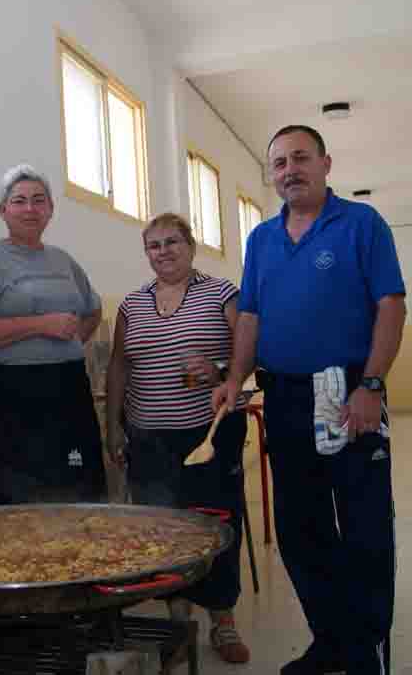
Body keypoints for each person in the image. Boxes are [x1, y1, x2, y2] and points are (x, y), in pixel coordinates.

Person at [214, 125, 406, 675]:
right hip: (287, 399)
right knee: (301, 530)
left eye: (300, 158)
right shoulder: (261, 240)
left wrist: (370, 385)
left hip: (351, 392)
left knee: (365, 527)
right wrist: (234, 376)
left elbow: (390, 307)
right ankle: (332, 640)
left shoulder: (361, 224)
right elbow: (249, 317)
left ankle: (366, 650)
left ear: (325, 163)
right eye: (278, 163)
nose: (289, 169)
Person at [105, 212, 251, 665]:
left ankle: (223, 621)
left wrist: (222, 371)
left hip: (209, 432)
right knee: (163, 528)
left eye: (172, 242)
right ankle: (176, 620)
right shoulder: (132, 304)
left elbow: (251, 353)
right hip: (148, 436)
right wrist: (112, 424)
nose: (163, 252)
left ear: (191, 246)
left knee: (216, 522)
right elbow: (119, 367)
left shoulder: (222, 293)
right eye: (154, 245)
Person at [0, 164, 107, 505]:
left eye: (39, 200)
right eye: (19, 200)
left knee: (78, 488)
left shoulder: (63, 261)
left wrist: (72, 338)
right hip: (8, 396)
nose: (29, 208)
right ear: (3, 210)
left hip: (67, 388)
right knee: (15, 500)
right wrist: (40, 326)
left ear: (50, 210)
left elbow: (92, 308)